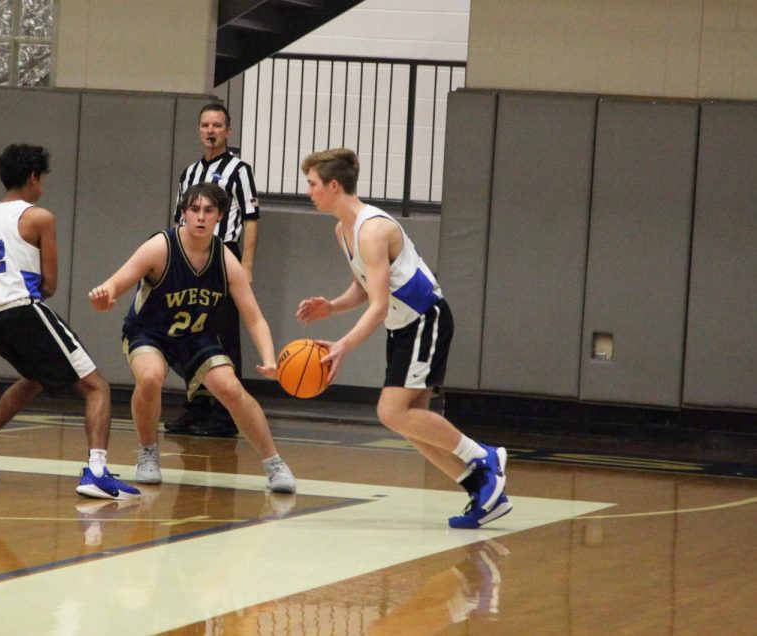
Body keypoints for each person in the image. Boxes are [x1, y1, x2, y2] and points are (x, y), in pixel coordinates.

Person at [295, 148, 509, 528]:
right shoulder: (342, 230)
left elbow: (377, 306)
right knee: (410, 421)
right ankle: (484, 491)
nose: (308, 191)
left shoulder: (373, 229)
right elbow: (365, 287)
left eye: (312, 184)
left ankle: (485, 456)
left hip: (426, 318)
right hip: (405, 325)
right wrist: (332, 306)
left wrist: (343, 344)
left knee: (390, 412)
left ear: (333, 185)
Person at [0, 143, 140, 501]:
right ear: (34, 177)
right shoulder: (40, 217)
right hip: (21, 310)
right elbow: (49, 285)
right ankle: (97, 472)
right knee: (97, 386)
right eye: (43, 179)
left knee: (34, 378)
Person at [88, 182, 295, 493]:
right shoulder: (161, 246)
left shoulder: (225, 261)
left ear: (220, 216)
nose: (200, 217)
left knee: (230, 388)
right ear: (183, 213)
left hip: (195, 334)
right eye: (194, 209)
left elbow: (254, 318)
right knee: (151, 378)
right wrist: (106, 295)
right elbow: (117, 281)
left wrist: (269, 359)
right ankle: (147, 453)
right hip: (149, 331)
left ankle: (274, 464)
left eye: (208, 211)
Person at [166, 103, 261, 438]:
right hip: (190, 257)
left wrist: (246, 264)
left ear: (228, 131)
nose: (210, 131)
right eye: (205, 125)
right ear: (199, 129)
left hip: (223, 256)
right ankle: (196, 406)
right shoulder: (189, 172)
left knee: (223, 335)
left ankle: (225, 414)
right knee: (189, 333)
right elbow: (180, 221)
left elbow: (251, 218)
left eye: (217, 125)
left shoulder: (239, 170)